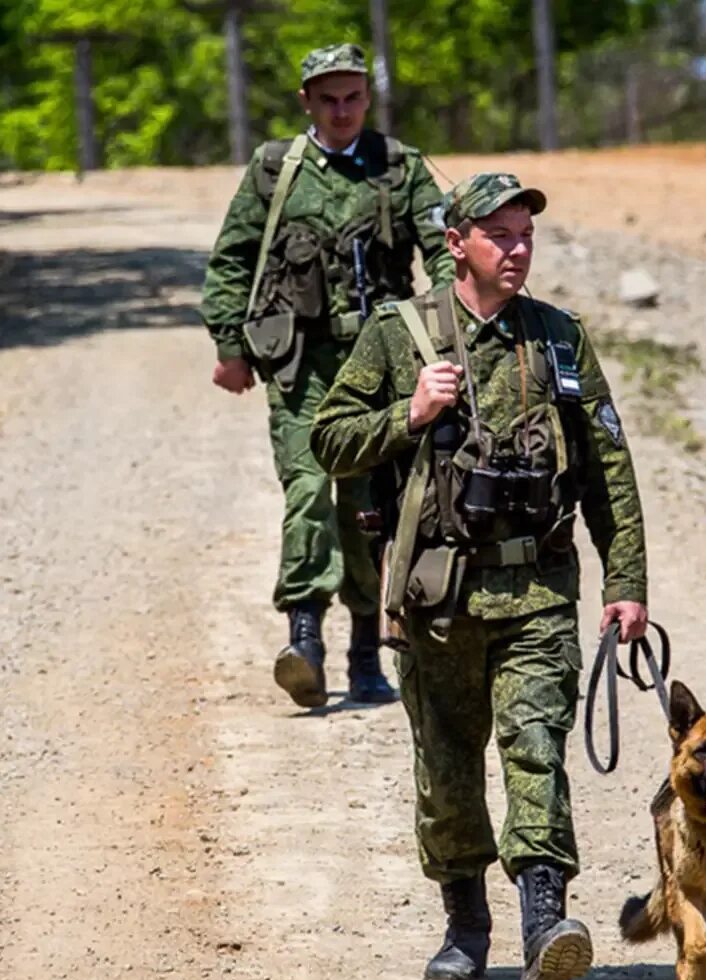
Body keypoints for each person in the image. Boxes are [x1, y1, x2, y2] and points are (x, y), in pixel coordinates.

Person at [309, 173, 649, 980]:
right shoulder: (402, 335)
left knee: (536, 749)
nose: (519, 248)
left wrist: (626, 580)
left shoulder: (559, 339)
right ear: (457, 242)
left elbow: (609, 467)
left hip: (537, 590)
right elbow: (328, 437)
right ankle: (466, 927)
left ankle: (545, 929)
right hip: (438, 600)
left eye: (527, 234)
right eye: (500, 234)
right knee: (449, 771)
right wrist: (409, 414)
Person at [201, 43, 453, 708]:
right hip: (303, 366)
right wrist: (230, 343)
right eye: (328, 98)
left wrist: (457, 331)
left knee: (370, 509)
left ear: (367, 97)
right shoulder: (275, 169)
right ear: (306, 101)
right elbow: (231, 257)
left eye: (353, 97)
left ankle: (366, 653)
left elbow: (445, 250)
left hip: (381, 366)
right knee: (308, 490)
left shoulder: (399, 169)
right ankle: (304, 640)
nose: (342, 110)